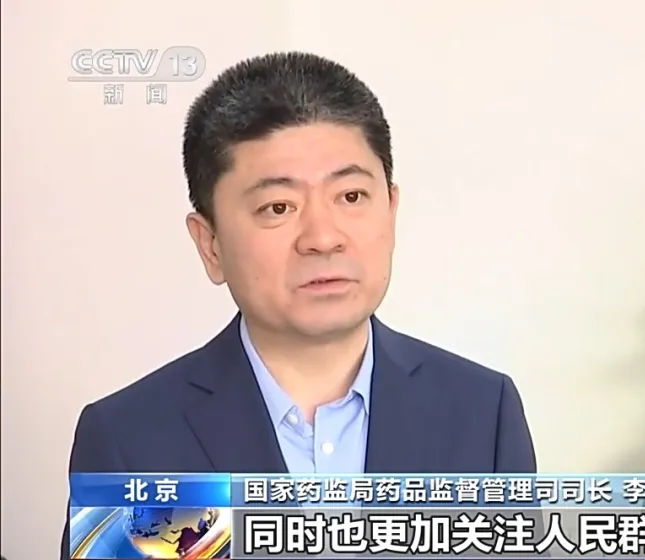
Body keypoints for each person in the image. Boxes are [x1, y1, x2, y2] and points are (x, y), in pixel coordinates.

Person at [60, 52, 536, 559]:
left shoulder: (482, 413)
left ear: (391, 210)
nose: (323, 238)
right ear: (210, 244)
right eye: (278, 207)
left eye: (351, 197)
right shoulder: (130, 442)